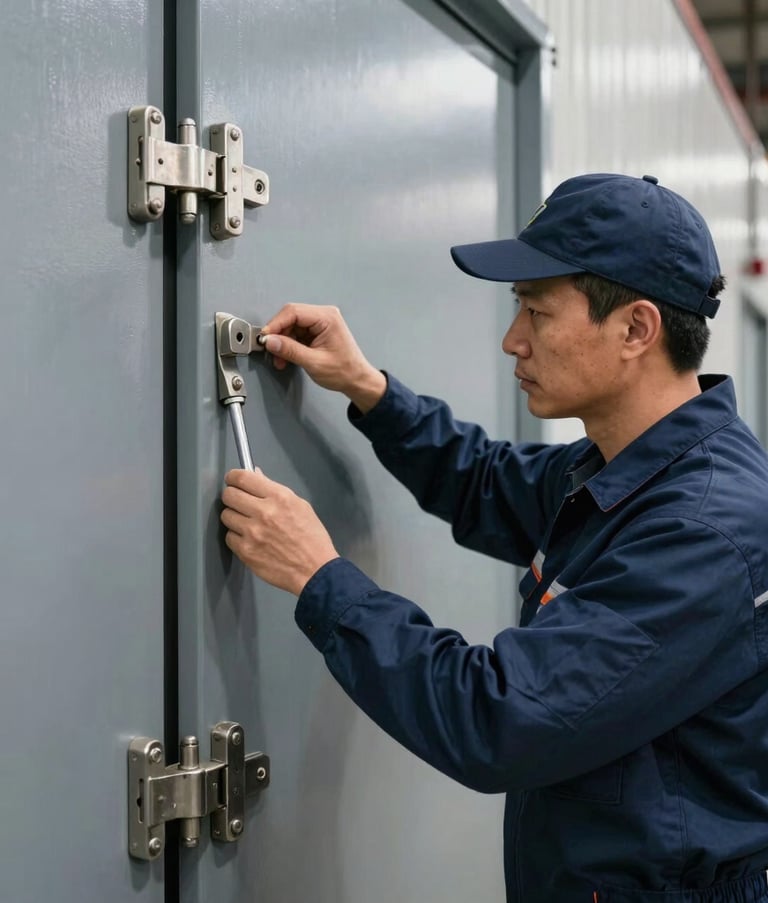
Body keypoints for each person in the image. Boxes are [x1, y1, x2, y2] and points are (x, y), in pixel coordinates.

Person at [220, 173, 768, 902]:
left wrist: (322, 578)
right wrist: (369, 390)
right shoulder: (625, 467)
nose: (514, 341)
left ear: (637, 329)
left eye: (537, 314)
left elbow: (499, 719)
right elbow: (484, 481)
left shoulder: (702, 528)